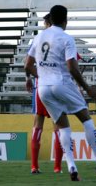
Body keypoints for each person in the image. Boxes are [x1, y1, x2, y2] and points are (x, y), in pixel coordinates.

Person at [25, 5, 96, 181]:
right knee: (86, 119)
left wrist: (40, 76)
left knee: (62, 126)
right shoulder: (66, 38)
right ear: (65, 20)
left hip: (43, 88)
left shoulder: (38, 37)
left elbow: (27, 65)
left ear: (50, 18)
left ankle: (71, 166)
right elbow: (72, 68)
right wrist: (87, 88)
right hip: (62, 83)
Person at [26, 13, 63, 174]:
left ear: (47, 22)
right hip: (56, 85)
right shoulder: (62, 38)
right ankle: (57, 167)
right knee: (59, 126)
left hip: (40, 86)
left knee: (37, 124)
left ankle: (34, 166)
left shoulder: (38, 39)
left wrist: (29, 77)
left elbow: (27, 64)